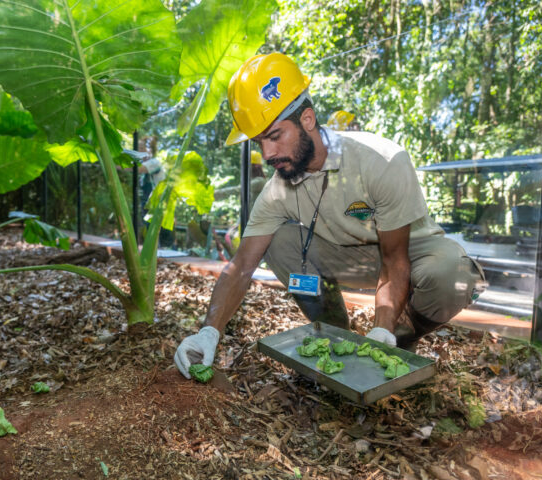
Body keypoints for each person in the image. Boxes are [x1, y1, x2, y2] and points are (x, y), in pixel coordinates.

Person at [174, 52, 486, 379]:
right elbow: (241, 266)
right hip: (347, 257)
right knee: (278, 241)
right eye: (258, 141)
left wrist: (381, 330)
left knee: (452, 275)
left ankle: (399, 341)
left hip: (410, 252)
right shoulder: (278, 188)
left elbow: (395, 259)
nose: (267, 154)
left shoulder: (380, 159)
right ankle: (337, 336)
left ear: (307, 120)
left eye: (274, 136)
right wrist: (208, 331)